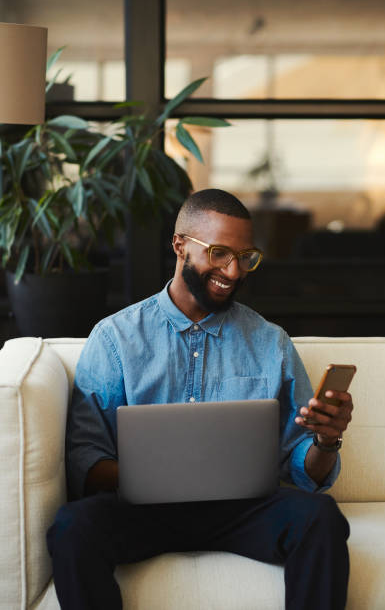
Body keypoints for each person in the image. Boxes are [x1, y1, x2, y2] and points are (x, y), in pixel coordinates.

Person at [47, 188, 353, 610]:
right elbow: (86, 453)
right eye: (219, 252)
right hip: (142, 511)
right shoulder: (116, 338)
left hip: (242, 512)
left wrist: (325, 441)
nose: (233, 270)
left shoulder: (271, 343)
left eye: (245, 257)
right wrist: (153, 475)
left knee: (321, 519)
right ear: (180, 246)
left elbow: (303, 469)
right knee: (71, 527)